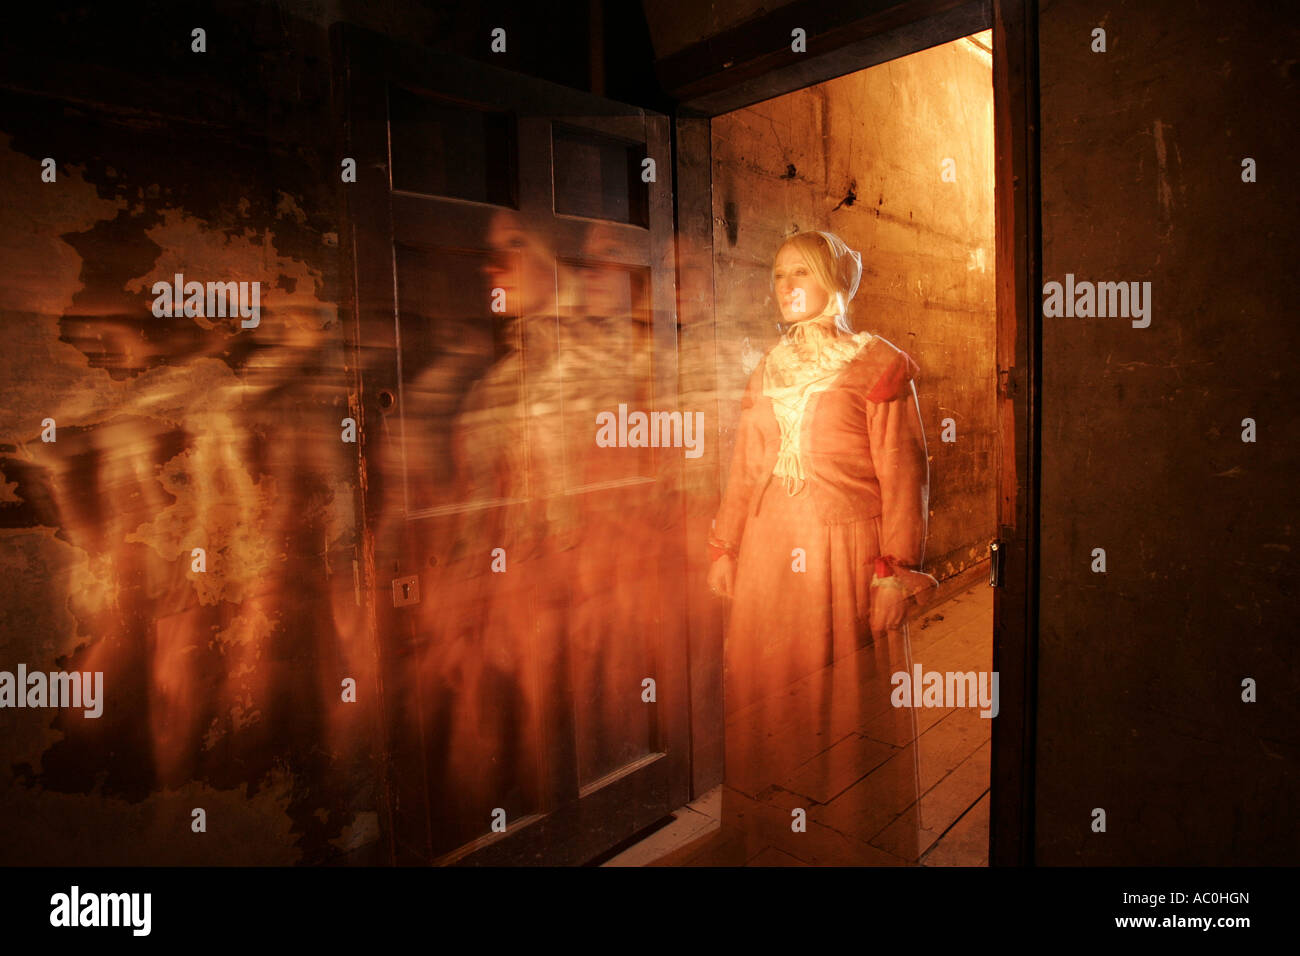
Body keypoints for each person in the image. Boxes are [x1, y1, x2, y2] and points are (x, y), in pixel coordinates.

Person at [706, 231, 933, 793]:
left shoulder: (878, 365)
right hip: (767, 550)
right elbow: (745, 466)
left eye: (801, 272)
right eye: (780, 275)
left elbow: (905, 476)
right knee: (769, 681)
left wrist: (895, 572)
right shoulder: (767, 369)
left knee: (839, 691)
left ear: (833, 280)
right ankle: (772, 826)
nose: (787, 287)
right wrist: (725, 546)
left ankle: (840, 829)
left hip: (843, 549)